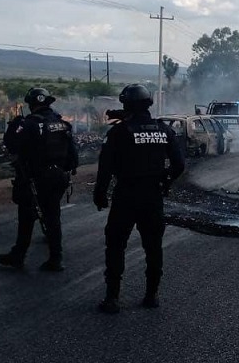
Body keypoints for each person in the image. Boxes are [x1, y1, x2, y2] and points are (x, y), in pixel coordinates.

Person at [94, 84, 185, 314]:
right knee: (153, 247)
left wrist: (100, 194)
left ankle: (112, 298)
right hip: (152, 196)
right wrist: (165, 180)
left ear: (126, 104)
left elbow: (105, 168)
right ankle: (152, 295)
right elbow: (179, 165)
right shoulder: (163, 130)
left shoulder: (119, 132)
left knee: (116, 245)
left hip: (126, 195)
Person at [0, 88, 78, 271]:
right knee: (53, 216)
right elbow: (73, 156)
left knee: (26, 217)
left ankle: (19, 255)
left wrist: (14, 125)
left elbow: (12, 145)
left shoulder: (29, 123)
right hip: (59, 177)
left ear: (31, 104)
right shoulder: (62, 123)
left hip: (36, 178)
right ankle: (55, 258)